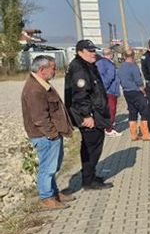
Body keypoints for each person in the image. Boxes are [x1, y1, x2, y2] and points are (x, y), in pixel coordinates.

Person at [21, 55, 75, 209]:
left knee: (53, 166)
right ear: (42, 70)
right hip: (45, 136)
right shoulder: (34, 89)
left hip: (50, 135)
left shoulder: (42, 84)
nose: (55, 71)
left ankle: (54, 193)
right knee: (47, 168)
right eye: (53, 68)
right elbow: (40, 118)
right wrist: (53, 134)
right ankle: (47, 198)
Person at [65, 39, 113, 190]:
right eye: (90, 51)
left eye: (94, 50)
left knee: (94, 147)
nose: (94, 53)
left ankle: (90, 175)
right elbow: (80, 95)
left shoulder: (87, 65)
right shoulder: (79, 68)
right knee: (91, 148)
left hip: (95, 113)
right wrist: (87, 115)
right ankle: (88, 181)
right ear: (80, 52)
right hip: (89, 116)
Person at [118, 48, 150, 142]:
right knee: (144, 112)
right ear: (133, 56)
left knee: (132, 112)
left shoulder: (121, 66)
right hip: (136, 91)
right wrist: (144, 91)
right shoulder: (133, 66)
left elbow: (120, 79)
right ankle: (145, 134)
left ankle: (133, 135)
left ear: (124, 56)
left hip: (126, 92)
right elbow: (138, 81)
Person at [96, 48, 121, 137]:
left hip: (108, 90)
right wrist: (105, 87)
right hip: (110, 90)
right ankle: (109, 129)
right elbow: (109, 77)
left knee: (107, 109)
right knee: (111, 109)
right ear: (111, 54)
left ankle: (107, 126)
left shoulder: (100, 63)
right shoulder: (107, 63)